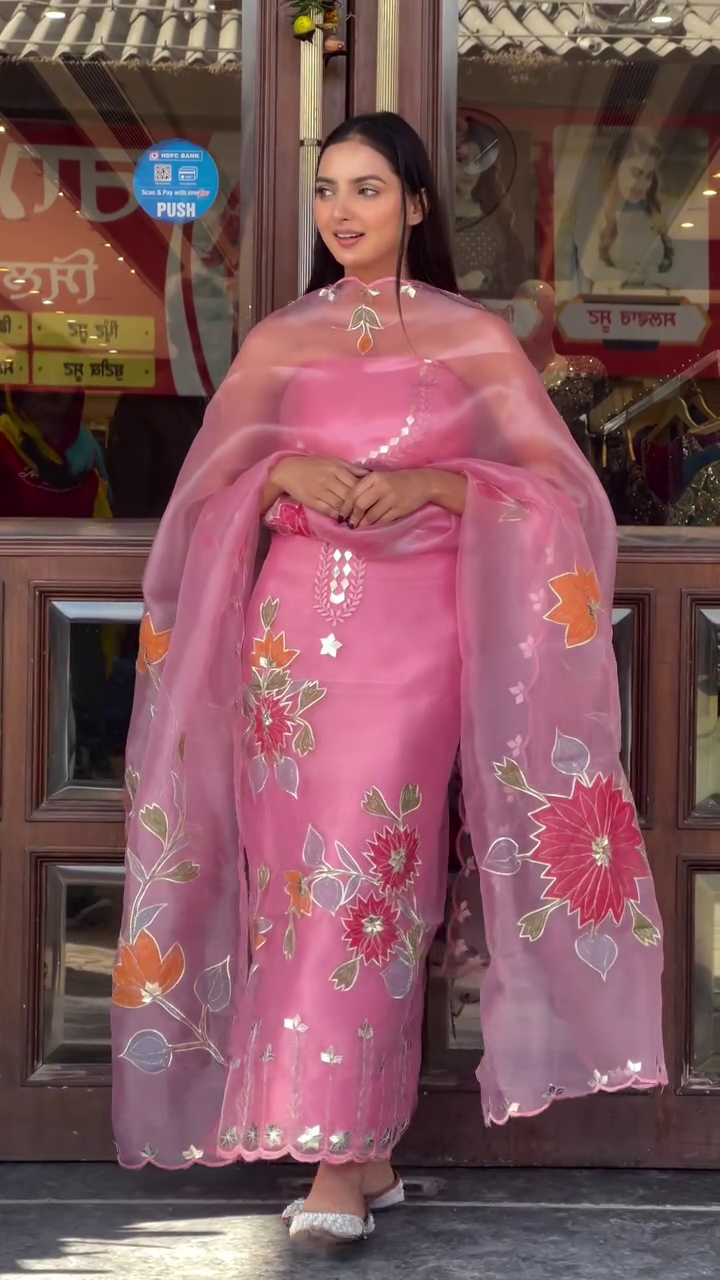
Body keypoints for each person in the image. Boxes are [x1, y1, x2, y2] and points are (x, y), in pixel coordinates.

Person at [112, 112, 666, 1246]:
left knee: (369, 881)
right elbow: (207, 495)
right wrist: (283, 470)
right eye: (328, 189)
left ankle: (334, 1153)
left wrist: (438, 486)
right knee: (295, 889)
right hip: (290, 642)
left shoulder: (472, 338)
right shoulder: (280, 340)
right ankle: (358, 1155)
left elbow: (562, 499)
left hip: (413, 642)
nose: (342, 211)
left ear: (416, 205)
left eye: (367, 189)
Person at [0, 390, 111, 518]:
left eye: (62, 380)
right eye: (42, 378)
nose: (52, 387)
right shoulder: (4, 442)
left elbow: (106, 521)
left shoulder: (88, 448)